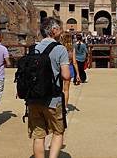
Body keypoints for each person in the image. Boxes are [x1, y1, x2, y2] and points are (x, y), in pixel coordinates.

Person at [27, 17, 70, 158]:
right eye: (60, 29)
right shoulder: (60, 49)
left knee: (38, 135)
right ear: (53, 30)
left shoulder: (33, 48)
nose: (61, 32)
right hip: (52, 99)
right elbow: (66, 75)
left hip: (33, 99)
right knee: (58, 132)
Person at [61, 33, 81, 111]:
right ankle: (65, 106)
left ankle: (59, 104)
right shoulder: (72, 49)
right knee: (66, 90)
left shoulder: (60, 47)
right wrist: (77, 74)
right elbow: (74, 62)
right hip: (69, 68)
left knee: (59, 88)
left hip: (61, 68)